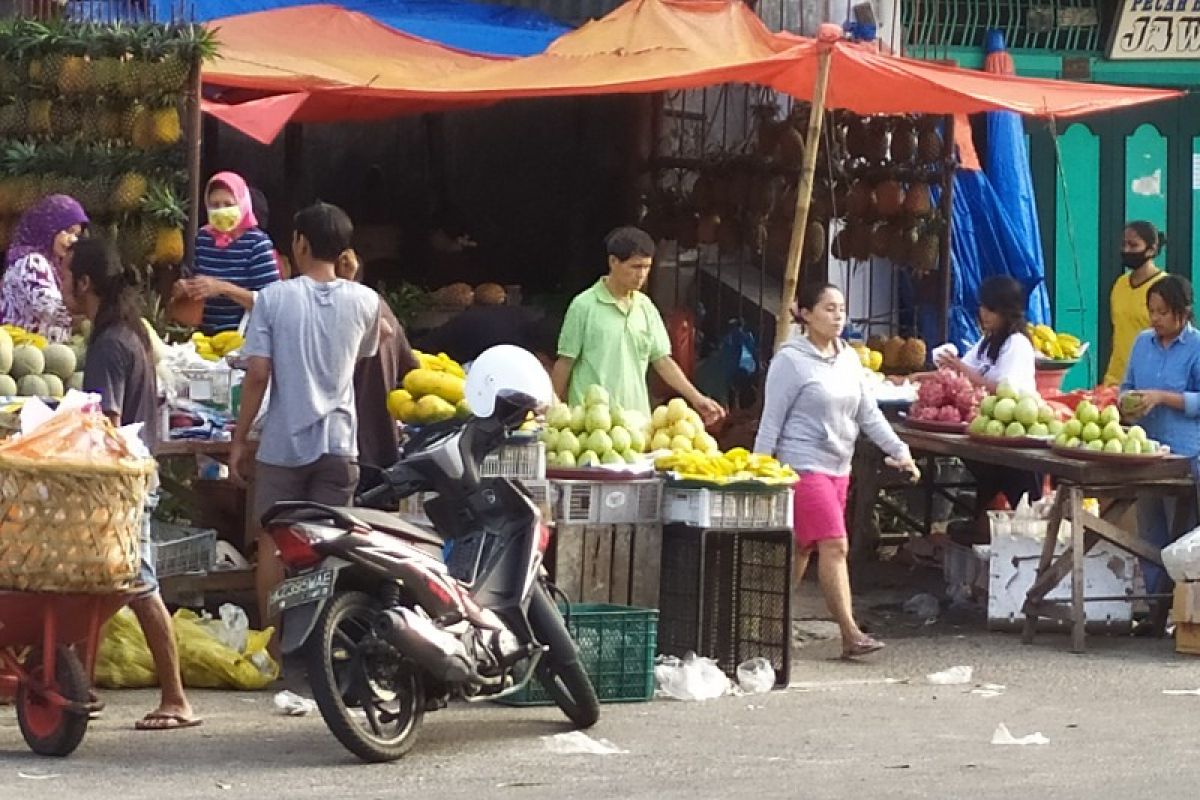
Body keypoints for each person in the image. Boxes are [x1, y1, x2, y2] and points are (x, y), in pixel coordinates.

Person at [67, 237, 199, 731]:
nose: (63, 286)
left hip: (122, 485)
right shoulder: (127, 334)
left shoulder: (109, 345)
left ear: (85, 283)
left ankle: (176, 698)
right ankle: (78, 683)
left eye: (68, 277)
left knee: (140, 585)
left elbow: (109, 424)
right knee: (96, 586)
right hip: (134, 476)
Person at [231, 203, 382, 630]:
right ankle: (320, 644)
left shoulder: (273, 298)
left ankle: (276, 649)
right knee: (330, 548)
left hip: (282, 446)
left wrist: (240, 440)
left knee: (274, 546)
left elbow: (258, 373)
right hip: (338, 445)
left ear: (300, 243)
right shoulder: (367, 301)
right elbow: (365, 351)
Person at [754, 283, 919, 659]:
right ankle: (850, 633)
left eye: (842, 309)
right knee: (834, 545)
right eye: (829, 308)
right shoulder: (790, 361)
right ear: (806, 314)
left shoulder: (848, 359)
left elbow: (868, 414)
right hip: (801, 467)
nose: (838, 316)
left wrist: (899, 450)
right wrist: (759, 472)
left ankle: (766, 621)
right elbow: (770, 422)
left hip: (838, 466)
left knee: (801, 549)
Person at [552, 226, 725, 422]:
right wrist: (553, 408)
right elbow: (565, 363)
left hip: (636, 424)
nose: (641, 274)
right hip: (591, 425)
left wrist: (697, 398)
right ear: (613, 262)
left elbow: (662, 361)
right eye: (635, 267)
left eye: (646, 267)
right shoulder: (584, 306)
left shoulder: (645, 307)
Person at [937, 276, 1041, 534]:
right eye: (983, 307)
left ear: (1007, 311)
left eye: (991, 309)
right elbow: (963, 370)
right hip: (989, 435)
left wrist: (960, 368)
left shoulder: (1017, 344)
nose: (983, 314)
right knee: (987, 489)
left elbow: (1003, 388)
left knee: (1025, 511)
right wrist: (918, 378)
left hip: (1016, 441)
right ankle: (982, 538)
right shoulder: (987, 342)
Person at [1120, 275, 1200, 606]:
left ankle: (1183, 607)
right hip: (1147, 452)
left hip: (1187, 455)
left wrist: (1163, 397)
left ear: (1183, 313)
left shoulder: (1196, 347)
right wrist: (1127, 403)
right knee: (1150, 529)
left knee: (1184, 535)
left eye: (1163, 312)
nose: (1155, 319)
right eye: (1151, 311)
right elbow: (1126, 385)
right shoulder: (1142, 343)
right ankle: (1155, 606)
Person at [334, 248, 419, 476]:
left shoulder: (339, 310)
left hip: (351, 444)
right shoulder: (380, 304)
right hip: (382, 442)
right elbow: (410, 369)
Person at [177, 172, 280, 334]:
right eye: (215, 205)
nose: (221, 210)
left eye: (228, 204)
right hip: (203, 339)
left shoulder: (257, 244)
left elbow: (271, 304)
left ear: (242, 203)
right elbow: (198, 280)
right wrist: (187, 288)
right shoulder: (203, 239)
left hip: (244, 340)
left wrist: (223, 288)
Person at [0, 194, 87, 343]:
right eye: (67, 231)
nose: (73, 240)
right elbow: (51, 310)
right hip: (25, 352)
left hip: (44, 353)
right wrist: (90, 312)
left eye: (76, 234)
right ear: (48, 228)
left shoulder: (53, 264)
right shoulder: (32, 263)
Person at [1104, 221, 1167, 386]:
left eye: (1133, 245)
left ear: (1151, 249)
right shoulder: (1120, 284)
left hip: (1148, 382)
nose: (1126, 250)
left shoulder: (1165, 287)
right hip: (1115, 380)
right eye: (1124, 244)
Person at [416, 303, 558, 368]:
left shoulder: (530, 319)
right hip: (453, 346)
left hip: (469, 330)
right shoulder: (507, 347)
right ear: (542, 357)